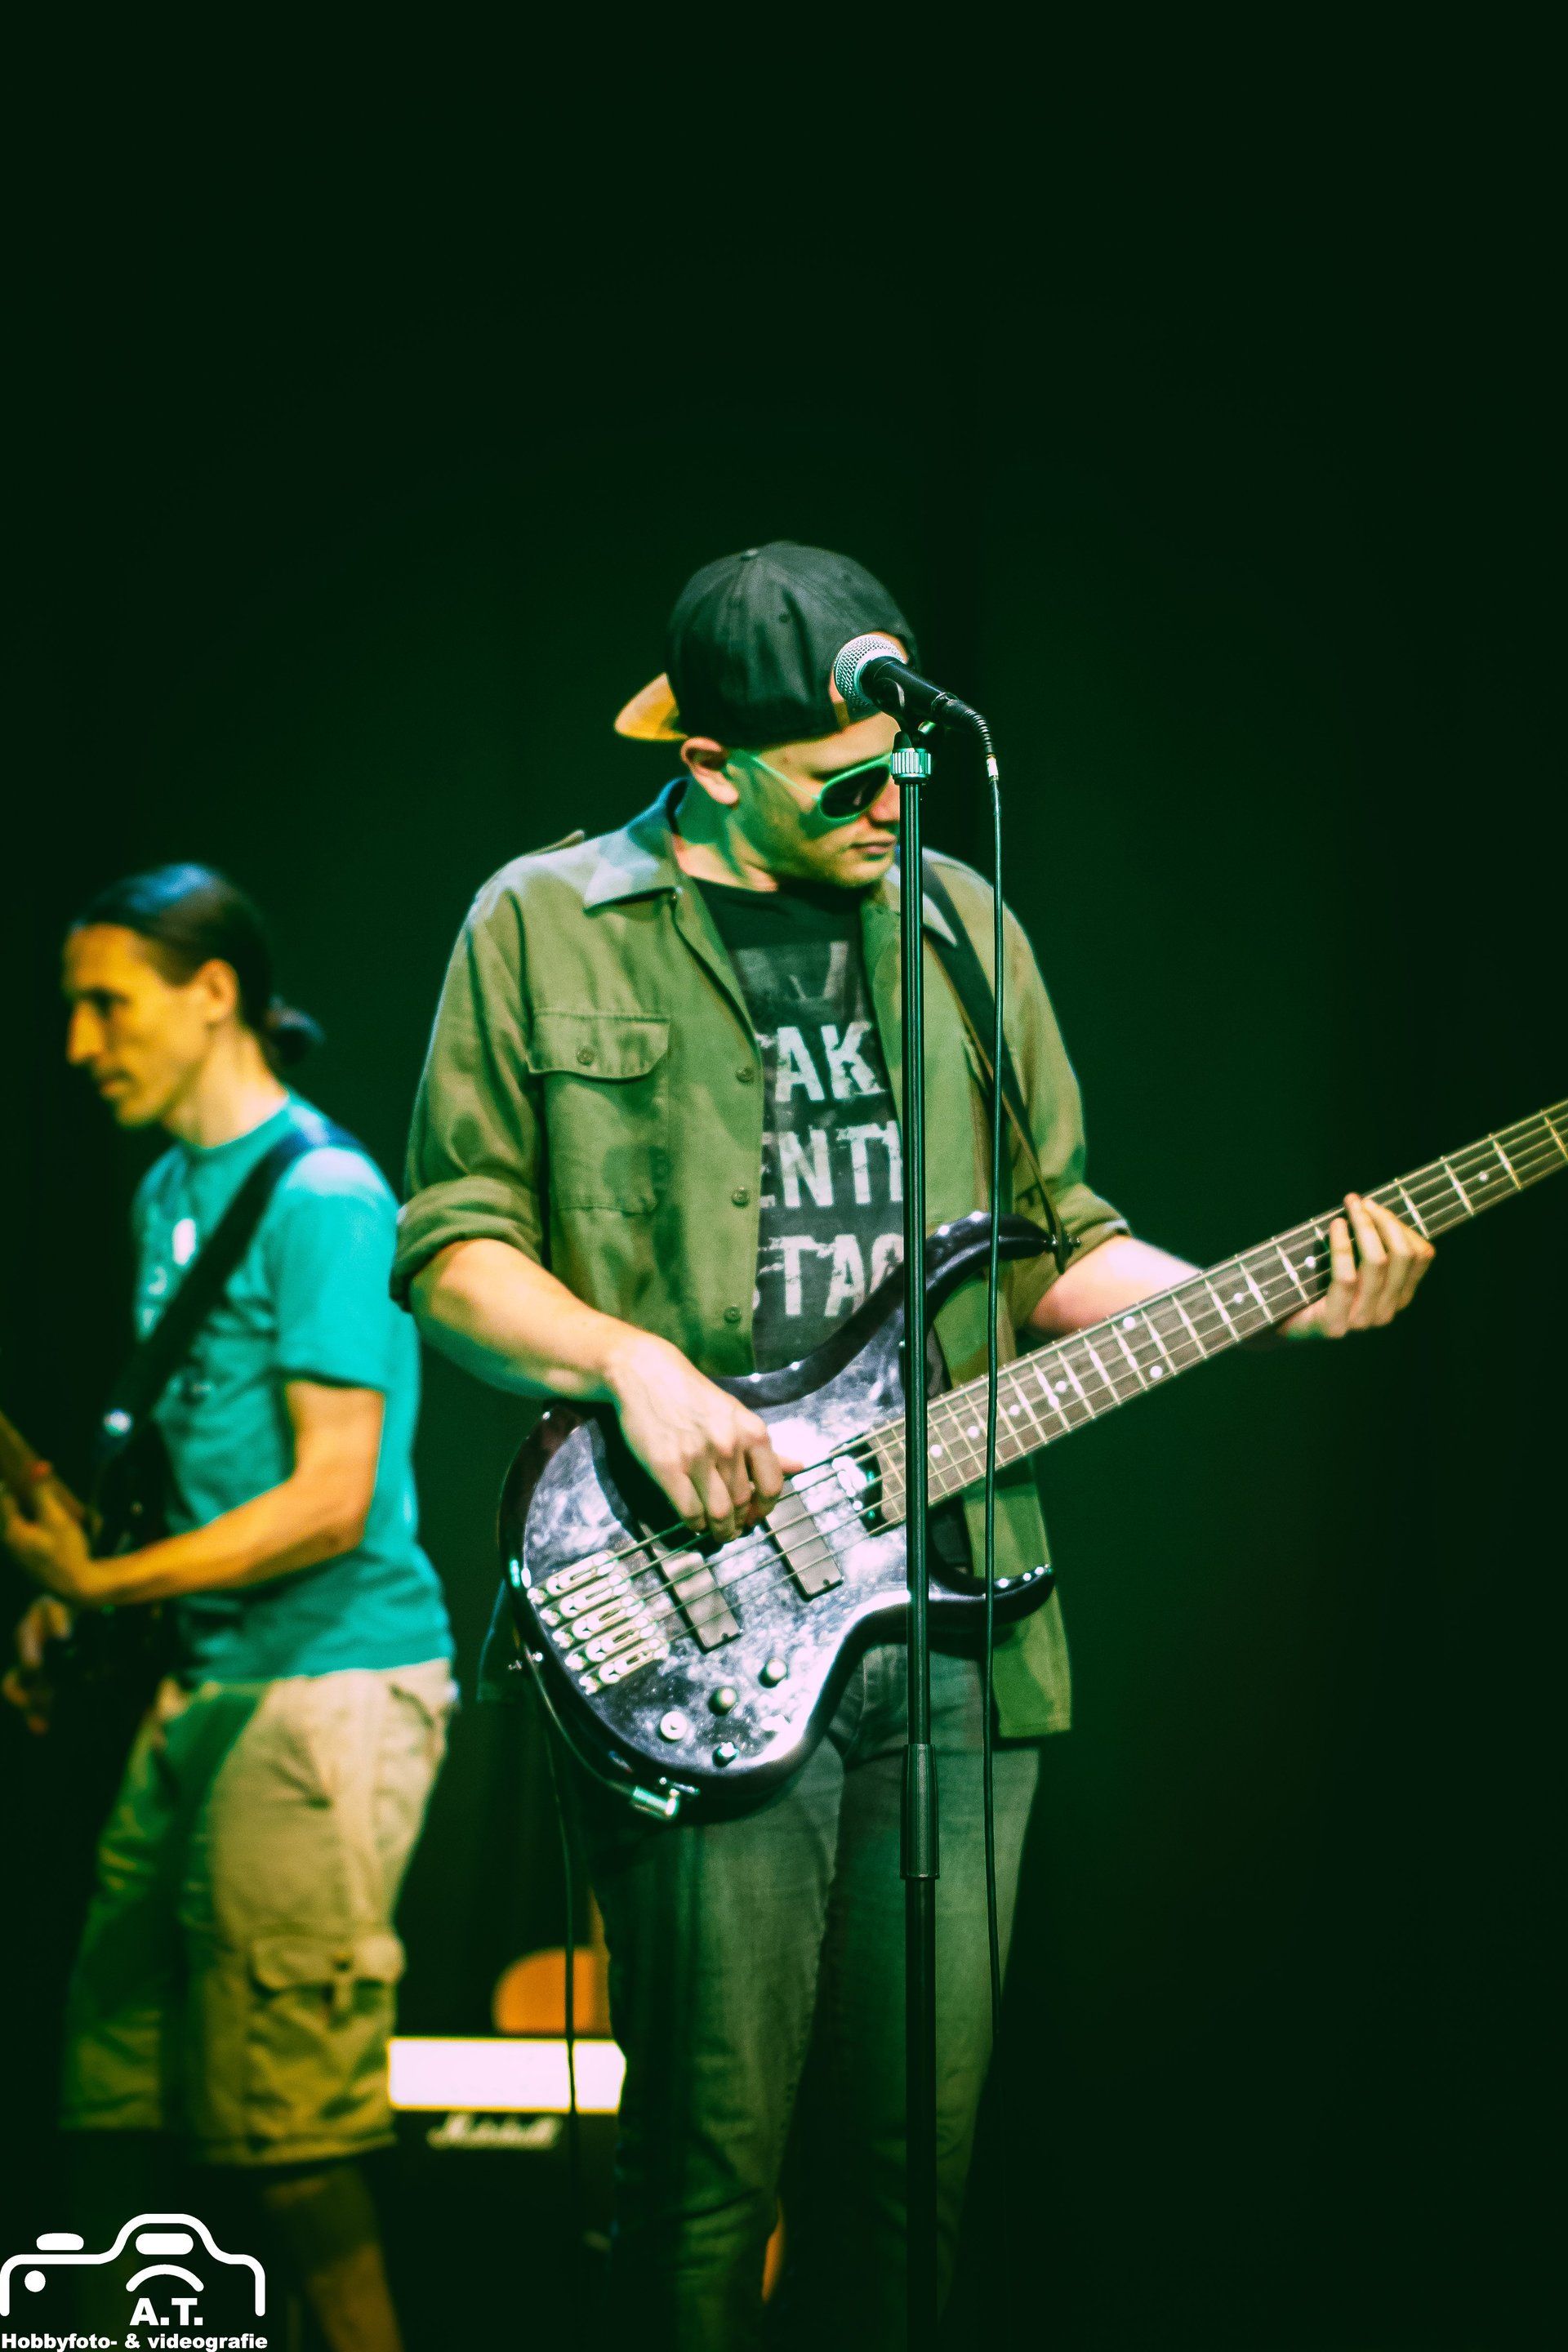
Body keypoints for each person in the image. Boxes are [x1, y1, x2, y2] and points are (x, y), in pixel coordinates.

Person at [395, 542, 1434, 2347]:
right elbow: (453, 1250)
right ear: (711, 762)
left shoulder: (959, 921)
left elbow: (1054, 1244)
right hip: (699, 1602)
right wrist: (631, 1364)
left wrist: (1265, 1300)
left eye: (905, 773)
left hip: (960, 1623)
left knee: (907, 2184)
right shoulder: (544, 921)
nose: (890, 808)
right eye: (843, 784)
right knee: (702, 2185)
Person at [2, 866, 454, 2352]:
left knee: (293, 2149)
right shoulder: (166, 1191)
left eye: (106, 1005)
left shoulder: (325, 1197)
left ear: (213, 994)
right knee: (113, 2106)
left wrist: (100, 1581)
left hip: (326, 1689)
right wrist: (89, 1608)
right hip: (204, 1683)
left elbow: (330, 1501)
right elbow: (199, 1468)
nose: (79, 1044)